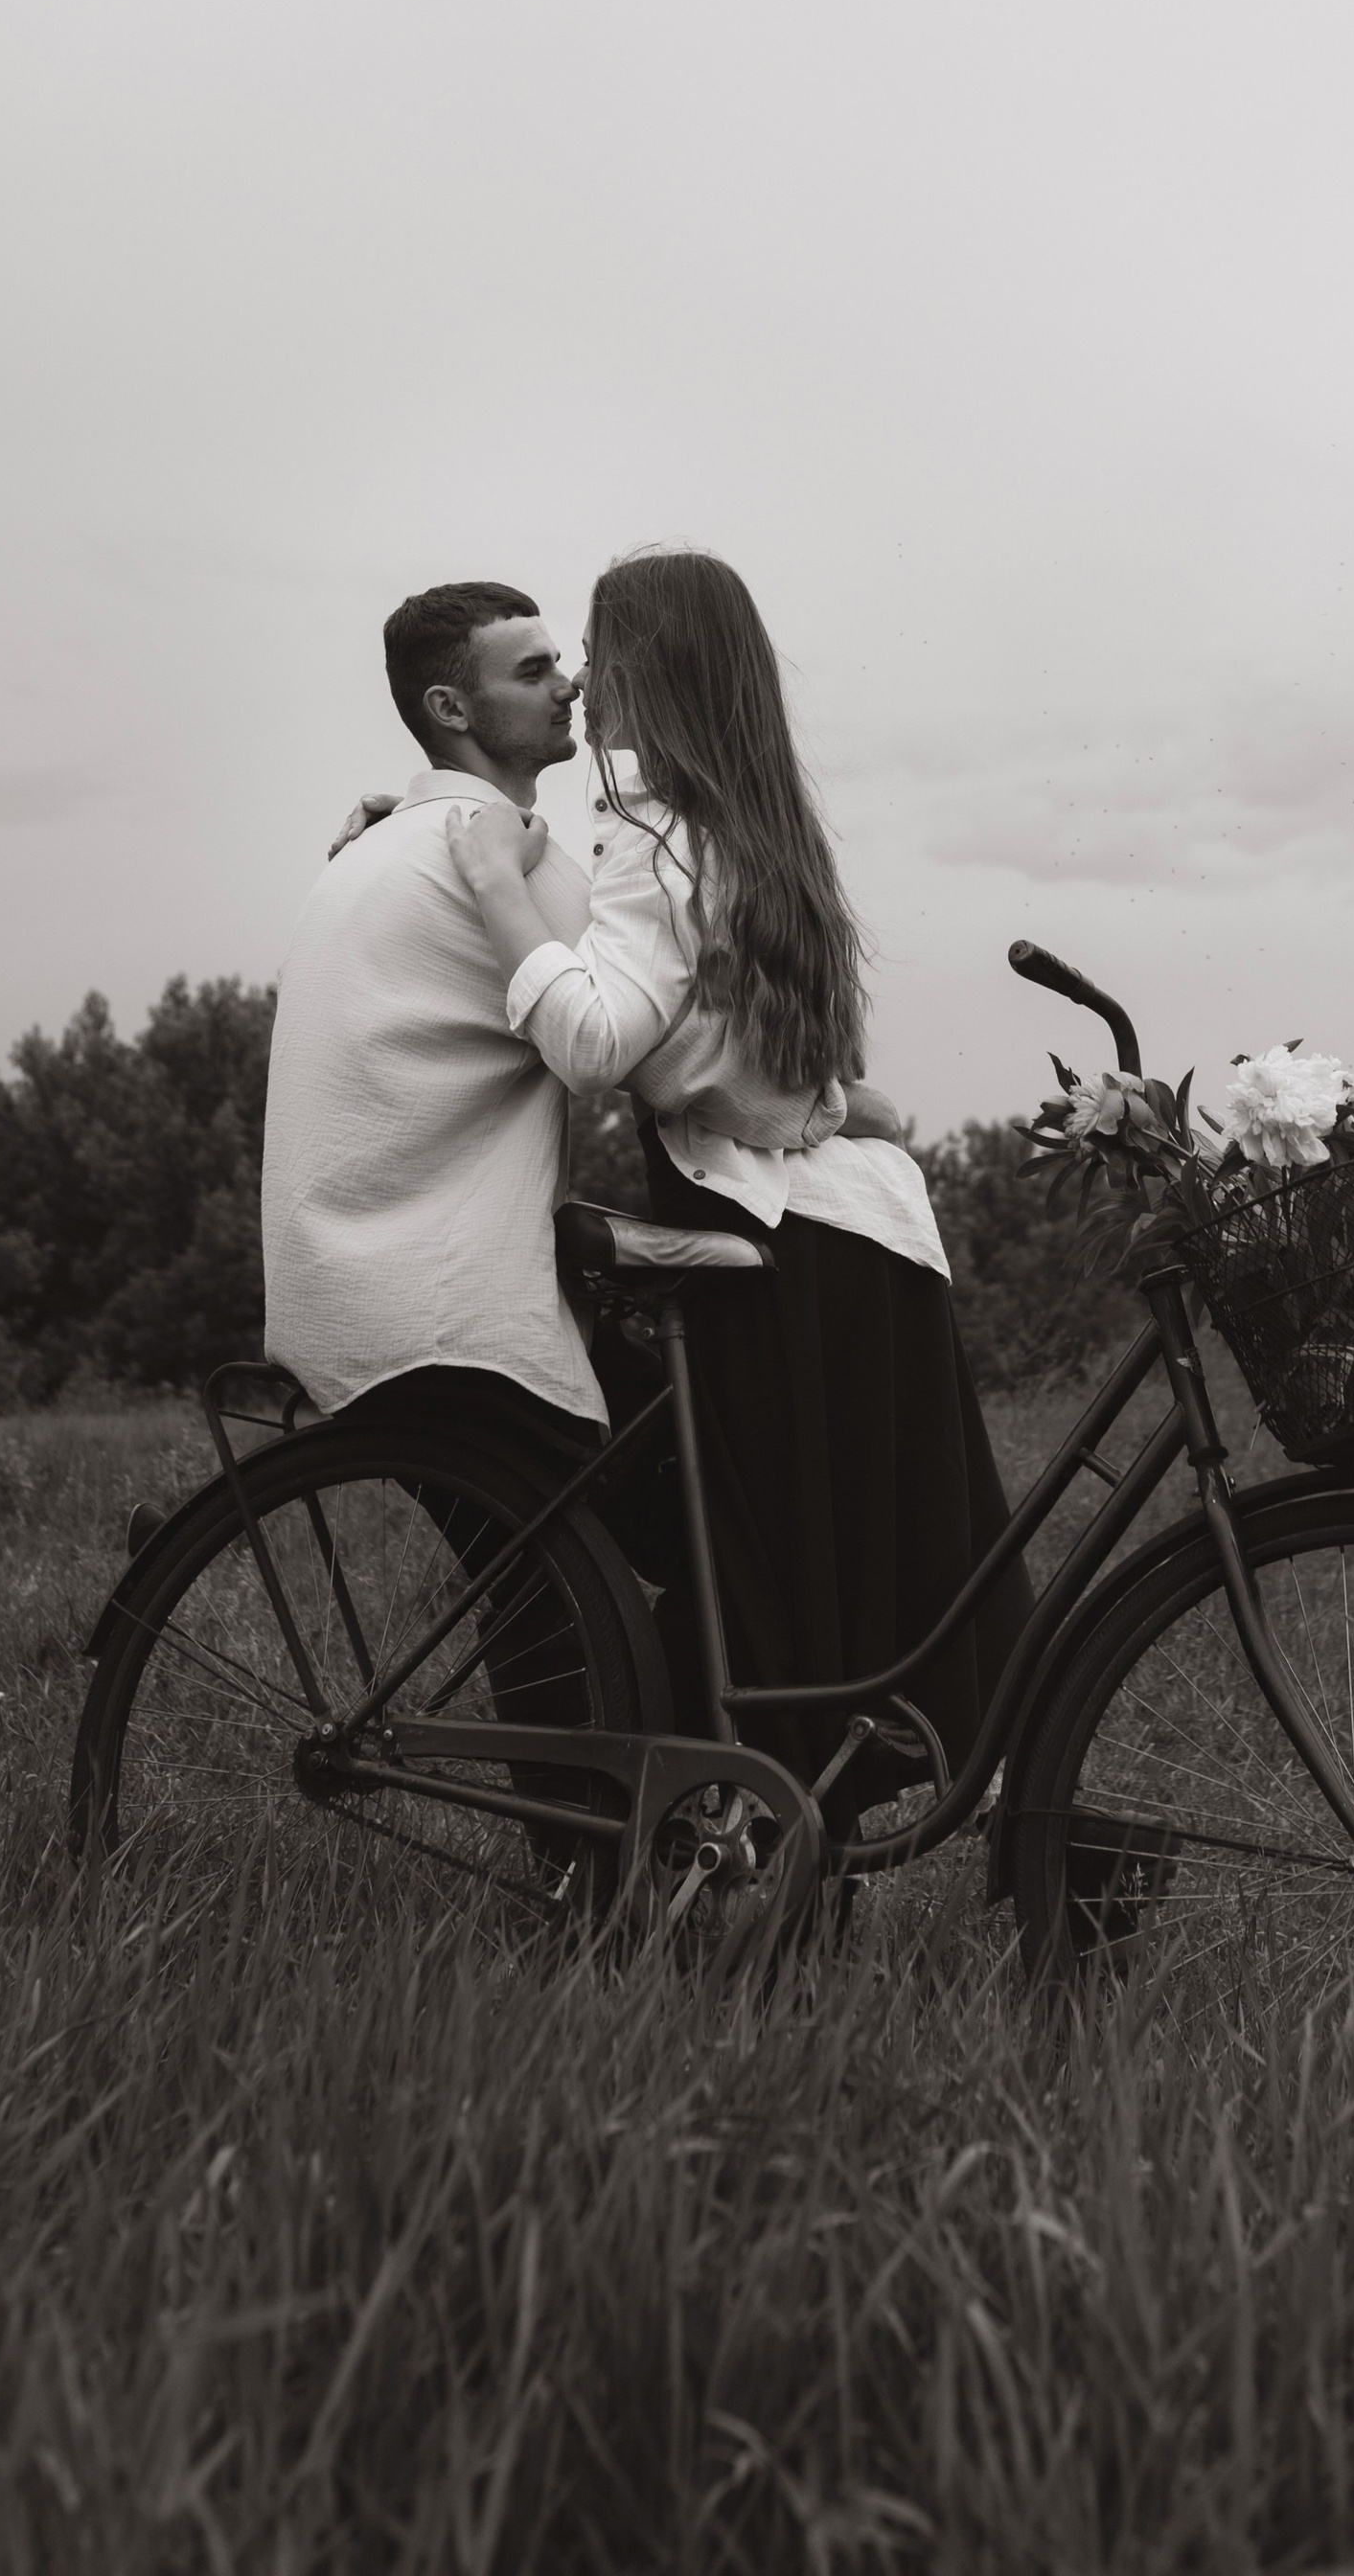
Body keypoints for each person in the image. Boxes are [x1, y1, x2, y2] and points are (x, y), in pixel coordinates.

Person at [446, 546, 1030, 1819]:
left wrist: (485, 885)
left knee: (761, 1582)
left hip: (761, 1236)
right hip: (864, 1236)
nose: (586, 678)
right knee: (873, 1578)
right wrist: (831, 1105)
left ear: (652, 668)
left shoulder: (652, 830)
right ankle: (814, 1838)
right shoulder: (760, 829)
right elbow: (782, 1070)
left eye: (603, 648)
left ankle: (705, 1844)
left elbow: (596, 1042)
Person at [259, 579, 610, 1450]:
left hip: (340, 1315)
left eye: (559, 663)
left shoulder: (373, 848)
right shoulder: (507, 861)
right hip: (455, 1325)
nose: (568, 685)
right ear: (450, 708)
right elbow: (669, 1053)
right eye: (532, 672)